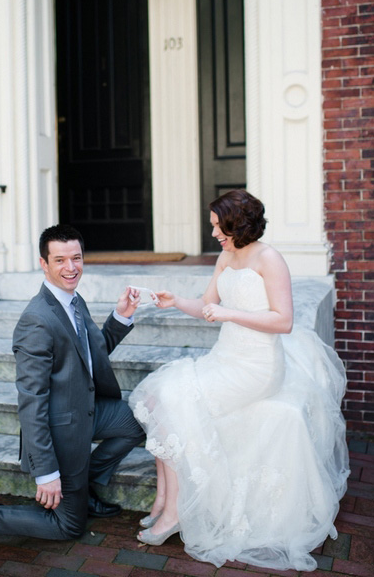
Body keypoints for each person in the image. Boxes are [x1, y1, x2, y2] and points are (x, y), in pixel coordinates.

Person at [129, 190, 349, 571]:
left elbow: (283, 321)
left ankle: (174, 511)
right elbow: (206, 306)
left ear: (237, 224)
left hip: (256, 368)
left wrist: (229, 313)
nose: (213, 233)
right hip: (224, 359)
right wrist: (175, 301)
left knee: (174, 403)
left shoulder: (269, 259)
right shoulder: (226, 256)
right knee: (156, 399)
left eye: (218, 226)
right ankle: (165, 500)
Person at [0, 224, 145, 546]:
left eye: (76, 258)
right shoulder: (37, 319)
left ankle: (83, 482)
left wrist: (121, 317)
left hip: (87, 410)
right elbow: (32, 400)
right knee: (67, 527)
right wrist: (47, 472)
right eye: (60, 260)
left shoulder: (74, 300)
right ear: (44, 263)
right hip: (60, 431)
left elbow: (90, 355)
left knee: (138, 422)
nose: (71, 268)